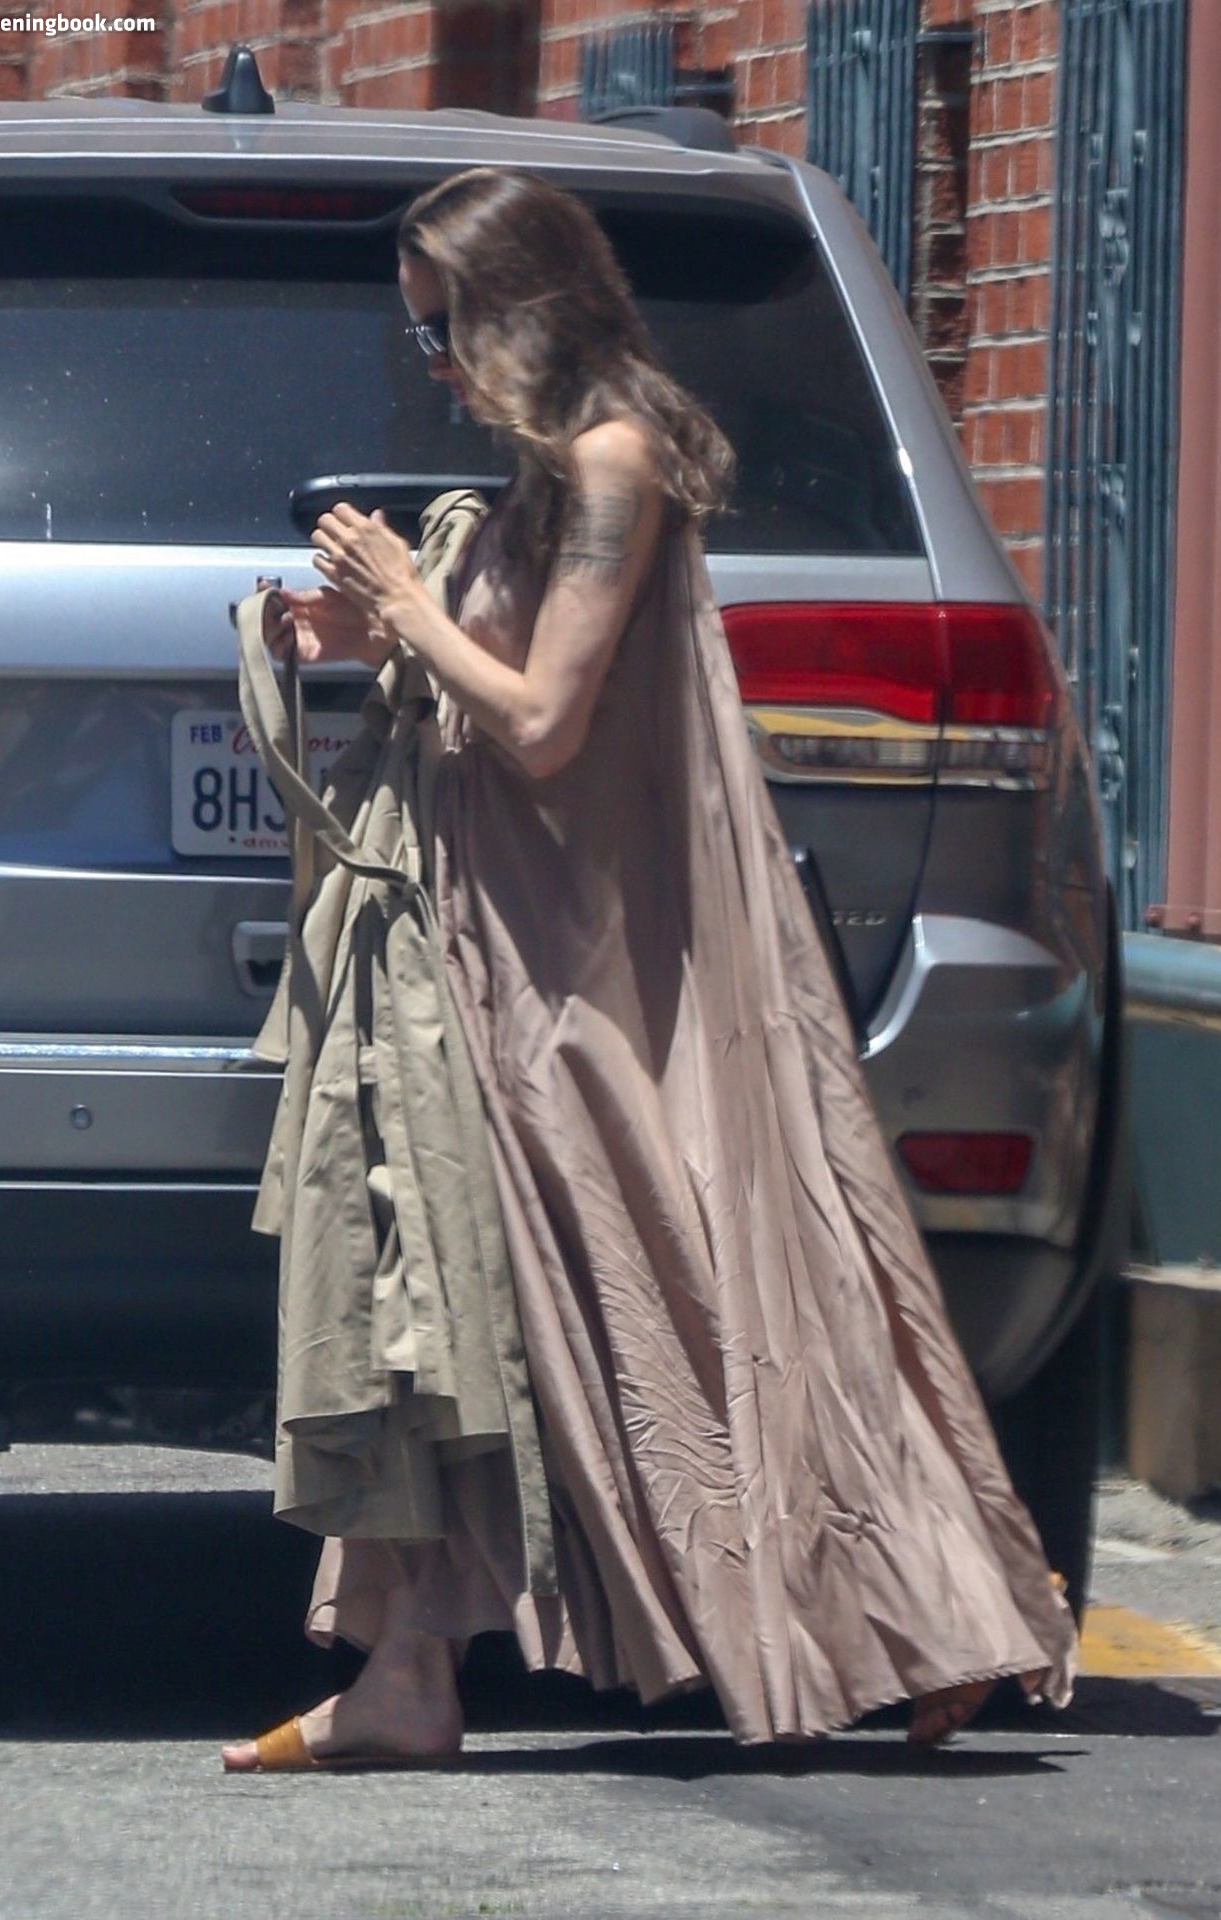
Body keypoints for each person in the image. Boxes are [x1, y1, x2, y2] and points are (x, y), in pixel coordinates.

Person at [222, 167, 1075, 1772]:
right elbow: (498, 671)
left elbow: (546, 722)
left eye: (449, 328)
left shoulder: (617, 463)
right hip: (491, 950)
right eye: (420, 334)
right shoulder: (545, 479)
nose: (434, 363)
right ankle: (408, 1671)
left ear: (527, 308)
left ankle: (938, 1606)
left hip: (585, 972)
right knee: (457, 1296)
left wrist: (408, 596)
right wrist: (352, 633)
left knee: (686, 1292)